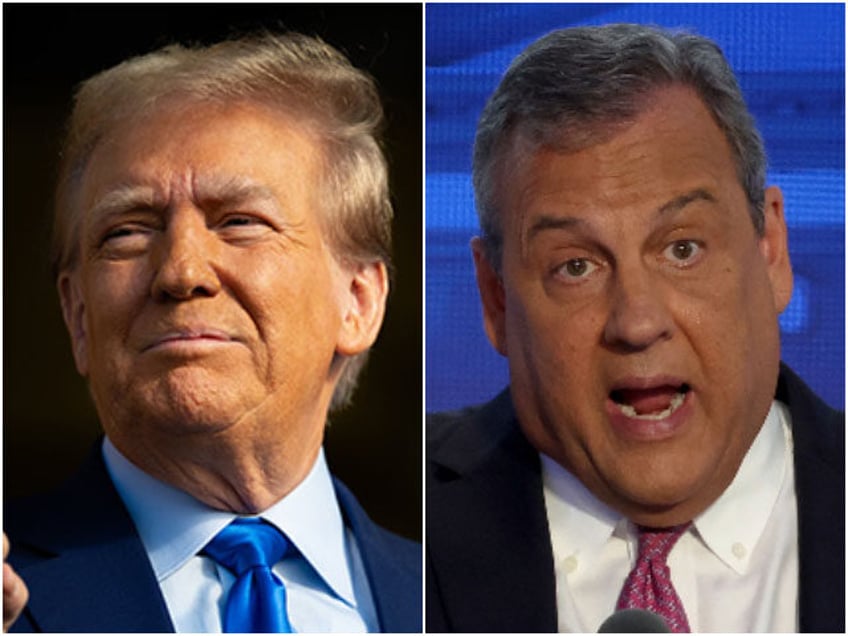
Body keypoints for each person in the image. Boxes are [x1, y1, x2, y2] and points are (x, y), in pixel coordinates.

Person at [426, 23, 844, 633]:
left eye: (682, 250)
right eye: (576, 267)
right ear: (496, 300)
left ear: (771, 250)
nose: (638, 322)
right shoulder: (405, 525)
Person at [4, 31, 421, 633]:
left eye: (240, 222)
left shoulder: (463, 602)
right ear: (77, 316)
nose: (181, 272)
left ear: (357, 301)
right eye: (127, 231)